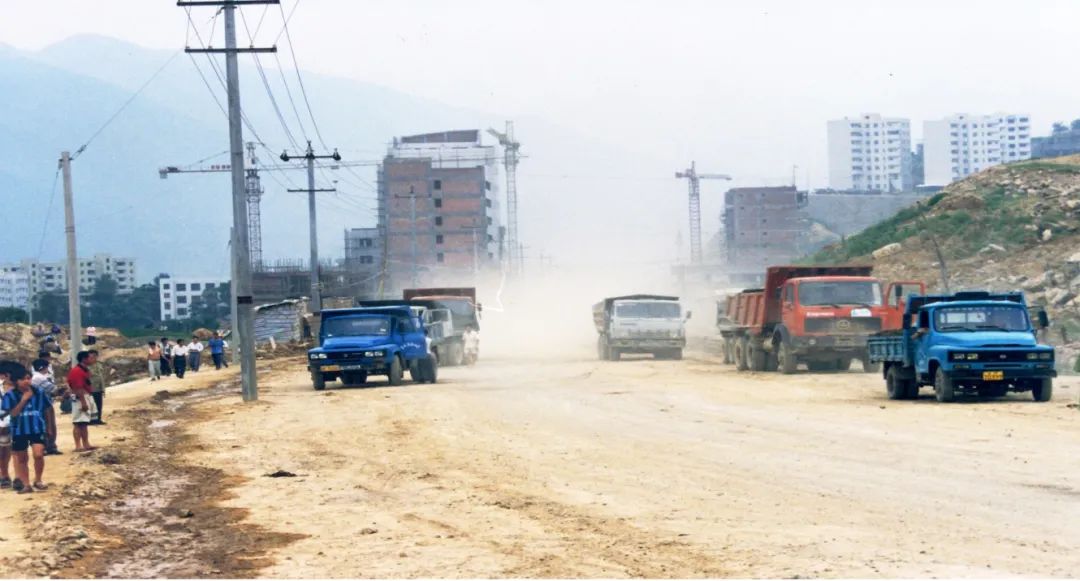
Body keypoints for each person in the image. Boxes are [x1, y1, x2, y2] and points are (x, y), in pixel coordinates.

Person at [1, 362, 54, 493]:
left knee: (38, 454)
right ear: (16, 381)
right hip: (19, 430)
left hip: (37, 428)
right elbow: (12, 413)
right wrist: (24, 399)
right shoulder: (10, 395)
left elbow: (47, 409)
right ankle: (26, 484)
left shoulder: (39, 392)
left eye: (28, 378)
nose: (26, 381)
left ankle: (38, 479)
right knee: (22, 458)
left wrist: (49, 427)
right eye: (23, 379)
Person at [66, 351, 97, 453]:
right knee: (78, 422)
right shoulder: (77, 371)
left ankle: (86, 443)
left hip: (85, 396)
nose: (92, 360)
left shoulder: (84, 370)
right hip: (80, 398)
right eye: (90, 358)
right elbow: (77, 388)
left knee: (84, 422)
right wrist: (83, 402)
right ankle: (78, 445)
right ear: (84, 359)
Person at [31, 360, 62, 456]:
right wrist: (64, 389)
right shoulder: (39, 378)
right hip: (44, 404)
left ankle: (48, 446)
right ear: (43, 367)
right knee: (49, 425)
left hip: (40, 404)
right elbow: (54, 390)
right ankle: (49, 446)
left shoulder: (36, 377)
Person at [0, 360, 16, 489]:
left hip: (9, 422)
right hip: (4, 422)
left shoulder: (15, 387)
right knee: (4, 449)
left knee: (7, 449)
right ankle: (4, 475)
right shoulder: (5, 387)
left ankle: (5, 475)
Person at [87, 350, 106, 425]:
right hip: (90, 388)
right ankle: (91, 420)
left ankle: (98, 419)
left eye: (94, 357)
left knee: (99, 405)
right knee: (91, 405)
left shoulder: (99, 365)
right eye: (90, 357)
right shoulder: (86, 366)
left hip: (98, 388)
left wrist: (103, 389)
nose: (92, 359)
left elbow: (101, 377)